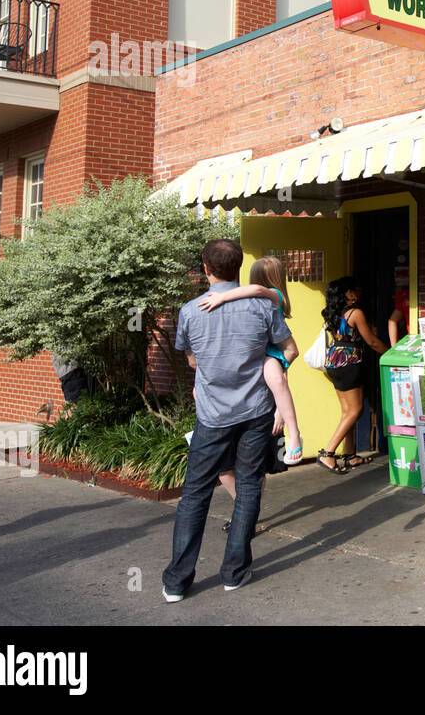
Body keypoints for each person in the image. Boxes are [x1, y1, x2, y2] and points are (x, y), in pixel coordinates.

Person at [162, 239, 297, 602]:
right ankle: (234, 573)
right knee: (249, 487)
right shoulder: (264, 306)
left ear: (206, 268)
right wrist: (271, 369)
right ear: (239, 267)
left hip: (213, 415)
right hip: (255, 412)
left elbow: (192, 361)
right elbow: (288, 350)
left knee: (195, 494)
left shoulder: (190, 311)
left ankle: (177, 582)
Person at [197, 256, 303, 467]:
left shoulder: (273, 294)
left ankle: (294, 434)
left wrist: (222, 297)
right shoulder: (251, 299)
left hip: (270, 353)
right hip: (257, 352)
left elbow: (256, 289)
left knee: (277, 380)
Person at [318, 277, 388, 474]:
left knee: (347, 412)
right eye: (355, 289)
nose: (358, 292)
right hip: (349, 362)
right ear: (347, 293)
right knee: (355, 410)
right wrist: (391, 353)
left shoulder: (332, 313)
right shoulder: (355, 313)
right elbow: (371, 341)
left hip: (334, 361)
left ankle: (350, 456)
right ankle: (327, 453)